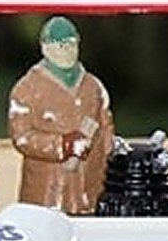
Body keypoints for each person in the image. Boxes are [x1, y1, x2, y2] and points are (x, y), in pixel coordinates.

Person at [8, 16, 113, 216]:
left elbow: (106, 126)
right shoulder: (27, 89)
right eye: (61, 45)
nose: (67, 50)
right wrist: (61, 145)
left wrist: (109, 156)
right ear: (45, 48)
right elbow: (22, 137)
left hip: (91, 192)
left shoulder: (93, 87)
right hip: (47, 194)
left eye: (72, 44)